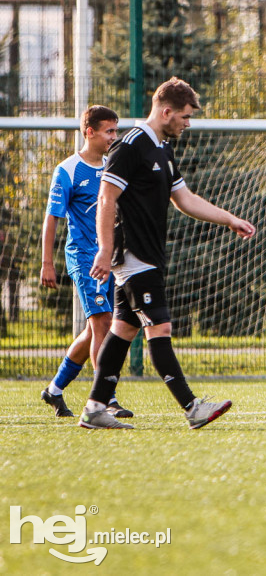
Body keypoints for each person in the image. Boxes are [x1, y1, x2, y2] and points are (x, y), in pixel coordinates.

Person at [79, 77, 256, 430]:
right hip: (133, 254)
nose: (187, 123)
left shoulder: (163, 149)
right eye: (185, 116)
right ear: (166, 111)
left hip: (148, 254)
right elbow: (106, 198)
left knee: (123, 330)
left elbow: (185, 199)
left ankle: (95, 408)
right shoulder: (130, 146)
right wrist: (105, 249)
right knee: (159, 327)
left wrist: (230, 219)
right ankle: (192, 408)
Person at [39, 105, 132, 419]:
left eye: (116, 131)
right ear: (89, 131)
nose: (113, 137)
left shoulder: (113, 165)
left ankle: (54, 390)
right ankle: (106, 400)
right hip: (83, 259)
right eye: (109, 131)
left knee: (96, 329)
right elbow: (52, 219)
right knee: (103, 324)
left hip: (111, 259)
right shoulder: (67, 170)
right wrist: (46, 263)